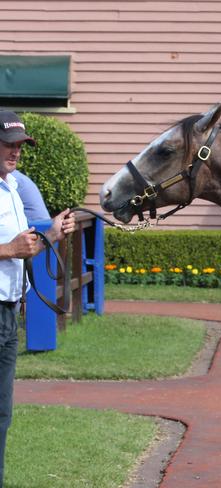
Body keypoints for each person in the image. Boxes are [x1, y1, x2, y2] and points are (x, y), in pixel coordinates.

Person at [0, 110, 75, 486]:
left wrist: (54, 235)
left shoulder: (12, 187)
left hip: (9, 312)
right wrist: (8, 249)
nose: (15, 152)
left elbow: (22, 246)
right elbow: (11, 248)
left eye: (20, 146)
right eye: (8, 144)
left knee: (1, 413)